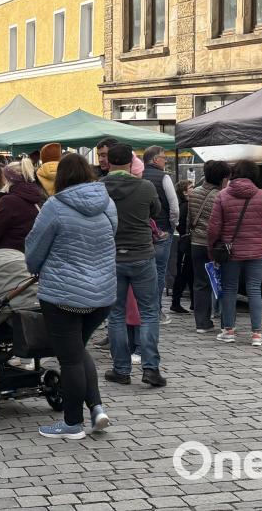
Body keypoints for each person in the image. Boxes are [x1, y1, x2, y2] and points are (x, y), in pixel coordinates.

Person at [26, 153, 117, 439]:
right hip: (102, 294)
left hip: (63, 295)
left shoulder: (55, 206)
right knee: (77, 350)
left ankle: (72, 423)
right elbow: (112, 235)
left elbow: (35, 250)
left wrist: (35, 265)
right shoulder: (107, 203)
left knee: (70, 358)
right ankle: (97, 408)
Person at [101, 144, 167, 387]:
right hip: (141, 255)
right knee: (149, 312)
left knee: (116, 314)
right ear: (131, 162)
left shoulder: (99, 189)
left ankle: (121, 369)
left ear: (108, 163)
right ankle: (150, 368)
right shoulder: (145, 186)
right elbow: (156, 211)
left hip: (112, 257)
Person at [207, 159, 262, 346]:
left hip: (231, 251)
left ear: (234, 173)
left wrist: (213, 247)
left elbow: (214, 228)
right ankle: (256, 334)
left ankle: (228, 330)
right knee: (254, 289)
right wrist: (260, 238)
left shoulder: (222, 195)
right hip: (257, 250)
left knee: (229, 289)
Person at [187, 160, 230, 333]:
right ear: (222, 178)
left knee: (200, 283)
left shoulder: (194, 192)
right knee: (223, 280)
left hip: (196, 242)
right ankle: (224, 320)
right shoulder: (220, 196)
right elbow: (221, 223)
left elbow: (189, 219)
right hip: (214, 245)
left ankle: (201, 322)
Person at [141, 147, 180, 325]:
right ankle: (156, 311)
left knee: (143, 272)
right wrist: (173, 225)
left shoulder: (139, 176)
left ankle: (142, 310)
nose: (166, 161)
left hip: (142, 230)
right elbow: (174, 206)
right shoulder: (164, 177)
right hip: (162, 229)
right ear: (155, 160)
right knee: (159, 270)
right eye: (164, 158)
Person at [0, 158, 45, 256]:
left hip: (7, 258)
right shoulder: (36, 197)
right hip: (29, 255)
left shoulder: (8, 201)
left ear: (9, 179)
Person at [170, 179, 194, 314]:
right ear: (185, 192)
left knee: (190, 273)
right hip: (186, 243)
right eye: (191, 187)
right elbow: (181, 225)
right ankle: (175, 302)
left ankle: (193, 302)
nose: (194, 189)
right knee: (183, 273)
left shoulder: (187, 205)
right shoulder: (185, 206)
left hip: (186, 242)